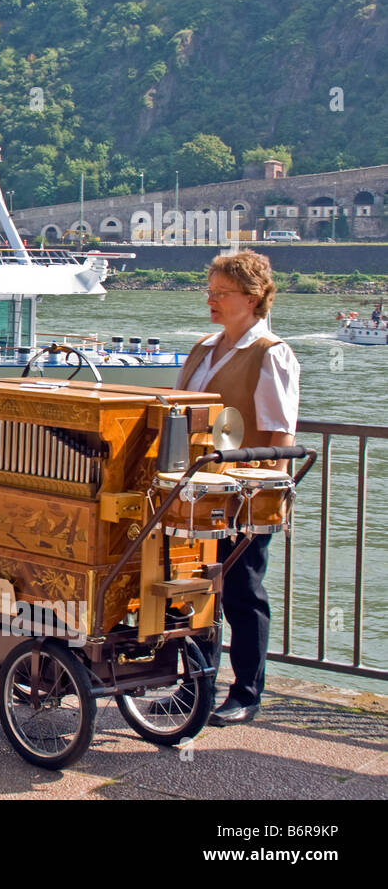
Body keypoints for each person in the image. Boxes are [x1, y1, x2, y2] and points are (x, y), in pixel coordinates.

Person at [175, 250, 300, 726]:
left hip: (245, 495)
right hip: (191, 492)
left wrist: (261, 491)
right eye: (209, 290)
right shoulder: (204, 347)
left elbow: (278, 434)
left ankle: (246, 692)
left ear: (251, 299)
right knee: (188, 590)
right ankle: (193, 689)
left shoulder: (271, 353)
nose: (211, 299)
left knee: (242, 591)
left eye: (220, 292)